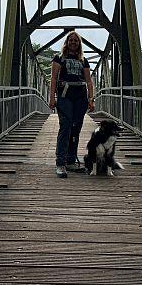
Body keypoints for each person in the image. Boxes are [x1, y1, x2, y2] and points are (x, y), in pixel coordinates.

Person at [48, 31, 95, 178]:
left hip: (80, 98)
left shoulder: (83, 60)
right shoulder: (59, 58)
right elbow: (54, 79)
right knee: (65, 127)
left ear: (79, 44)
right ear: (67, 43)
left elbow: (88, 81)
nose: (73, 42)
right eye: (71, 40)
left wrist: (91, 98)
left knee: (76, 128)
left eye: (76, 41)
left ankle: (70, 160)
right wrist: (52, 98)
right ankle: (60, 163)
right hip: (64, 96)